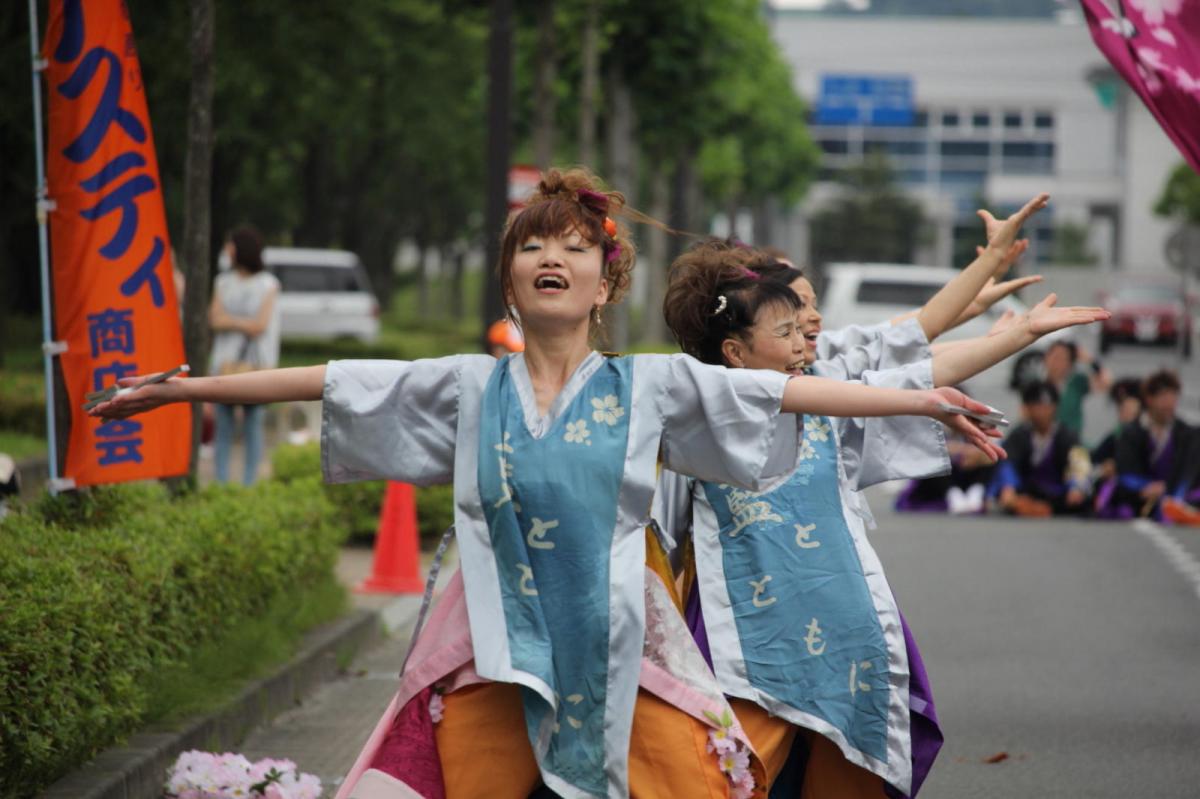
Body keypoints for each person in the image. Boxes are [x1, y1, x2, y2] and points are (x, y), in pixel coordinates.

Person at [92, 168, 1010, 799]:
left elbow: (783, 391)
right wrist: (184, 389)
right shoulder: (467, 385)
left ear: (604, 284)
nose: (551, 258)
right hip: (497, 652)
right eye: (533, 245)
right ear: (511, 279)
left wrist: (918, 400)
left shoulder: (649, 385)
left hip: (625, 656)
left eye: (574, 246)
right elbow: (333, 381)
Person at [653, 204, 1108, 797]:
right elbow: (659, 542)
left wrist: (1018, 334)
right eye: (787, 325)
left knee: (839, 779)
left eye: (805, 316)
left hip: (844, 640)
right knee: (731, 778)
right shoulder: (692, 429)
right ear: (735, 350)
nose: (807, 331)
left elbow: (918, 364)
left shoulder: (828, 405)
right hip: (741, 643)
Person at [208, 226, 281, 485]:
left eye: (231, 246)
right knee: (223, 427)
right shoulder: (222, 281)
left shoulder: (268, 284)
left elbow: (260, 326)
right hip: (224, 365)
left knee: (252, 426)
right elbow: (214, 320)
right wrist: (244, 322)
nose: (227, 250)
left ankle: (249, 484)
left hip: (256, 366)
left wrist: (229, 320)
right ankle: (221, 483)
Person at [1108, 369, 1200, 522]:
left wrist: (1168, 489)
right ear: (1149, 399)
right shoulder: (1131, 432)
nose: (1169, 403)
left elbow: (1188, 471)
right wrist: (1145, 487)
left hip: (1175, 494)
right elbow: (1125, 470)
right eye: (1163, 397)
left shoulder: (1187, 433)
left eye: (1173, 397)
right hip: (1141, 495)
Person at [989, 381, 1091, 517]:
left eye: (1046, 406)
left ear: (1055, 407)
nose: (1042, 412)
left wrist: (1077, 486)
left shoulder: (1067, 436)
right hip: (1027, 492)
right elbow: (1008, 463)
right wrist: (1008, 486)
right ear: (1027, 409)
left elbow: (1079, 463)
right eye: (1036, 406)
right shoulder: (1019, 434)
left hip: (1058, 493)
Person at [1041, 340, 1111, 439]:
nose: (1057, 363)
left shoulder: (1076, 383)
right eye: (1055, 357)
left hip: (1071, 439)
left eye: (1063, 359)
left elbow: (1106, 382)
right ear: (1046, 359)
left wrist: (1089, 360)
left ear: (1070, 364)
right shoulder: (1037, 386)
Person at [1091, 377, 1143, 482]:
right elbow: (1095, 458)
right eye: (1122, 408)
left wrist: (1119, 466)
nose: (1125, 412)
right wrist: (1103, 468)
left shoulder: (1145, 435)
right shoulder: (1115, 435)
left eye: (1130, 409)